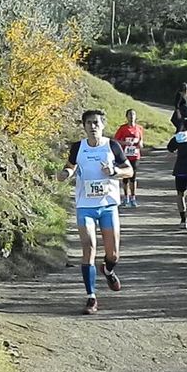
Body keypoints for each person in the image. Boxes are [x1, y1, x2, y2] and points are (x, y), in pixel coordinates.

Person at [57, 109, 134, 315]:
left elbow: (129, 170)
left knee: (113, 254)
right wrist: (65, 173)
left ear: (103, 126)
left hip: (108, 205)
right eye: (89, 123)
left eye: (96, 123)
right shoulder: (78, 147)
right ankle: (91, 297)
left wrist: (114, 172)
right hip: (85, 206)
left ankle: (108, 270)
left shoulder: (112, 146)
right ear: (84, 126)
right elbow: (71, 166)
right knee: (89, 247)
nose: (93, 126)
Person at [114, 108, 144, 207]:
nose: (132, 117)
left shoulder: (139, 128)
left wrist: (140, 144)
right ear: (126, 117)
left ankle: (133, 198)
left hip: (135, 155)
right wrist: (125, 143)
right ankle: (125, 197)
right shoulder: (122, 128)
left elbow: (141, 141)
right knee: (125, 177)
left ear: (136, 117)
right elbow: (116, 141)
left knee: (133, 177)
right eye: (130, 115)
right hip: (125, 156)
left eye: (133, 115)